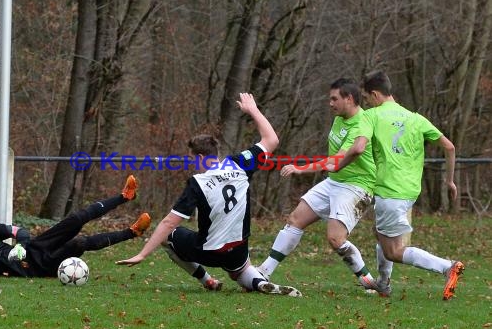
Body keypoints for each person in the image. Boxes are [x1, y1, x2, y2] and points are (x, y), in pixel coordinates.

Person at [116, 93, 301, 297]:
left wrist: (142, 254)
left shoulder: (198, 183)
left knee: (167, 237)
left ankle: (208, 281)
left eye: (193, 159)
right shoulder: (239, 164)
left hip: (209, 251)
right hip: (238, 246)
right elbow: (271, 139)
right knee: (239, 271)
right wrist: (253, 110)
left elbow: (169, 222)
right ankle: (257, 282)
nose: (193, 164)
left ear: (201, 158)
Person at [330, 70, 464, 300]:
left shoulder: (371, 116)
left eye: (368, 97)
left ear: (374, 94)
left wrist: (337, 166)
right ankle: (383, 283)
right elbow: (449, 147)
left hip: (390, 191)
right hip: (410, 191)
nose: (367, 102)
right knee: (380, 234)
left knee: (394, 251)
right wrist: (449, 180)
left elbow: (359, 147)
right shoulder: (415, 118)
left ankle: (447, 267)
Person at [257, 78, 378, 291]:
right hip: (335, 181)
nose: (330, 103)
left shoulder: (362, 123)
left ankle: (368, 281)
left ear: (349, 99)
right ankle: (264, 271)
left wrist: (301, 168)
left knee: (335, 238)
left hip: (357, 186)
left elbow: (337, 159)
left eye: (334, 99)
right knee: (295, 219)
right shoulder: (340, 118)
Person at [0, 175, 151, 278]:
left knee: (75, 219)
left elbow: (19, 231)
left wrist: (20, 245)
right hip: (32, 268)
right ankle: (132, 232)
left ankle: (124, 196)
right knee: (79, 243)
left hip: (32, 249)